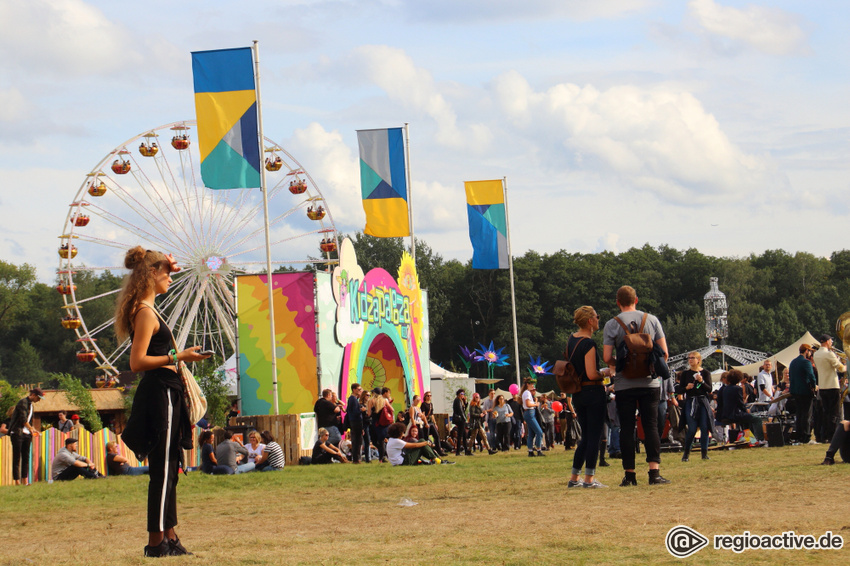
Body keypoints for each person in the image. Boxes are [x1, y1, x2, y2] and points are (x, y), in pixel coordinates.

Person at [115, 247, 210, 557]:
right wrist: (179, 355)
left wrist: (169, 265)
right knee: (163, 470)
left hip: (167, 390)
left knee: (172, 468)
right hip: (160, 393)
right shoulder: (144, 312)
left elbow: (165, 273)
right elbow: (137, 362)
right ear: (151, 274)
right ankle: (156, 543)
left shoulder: (149, 308)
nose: (170, 277)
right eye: (165, 273)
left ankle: (169, 536)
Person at [602, 285, 670, 486]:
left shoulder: (611, 324)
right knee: (650, 426)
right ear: (636, 300)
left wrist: (620, 363)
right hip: (650, 383)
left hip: (624, 384)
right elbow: (664, 354)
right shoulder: (652, 320)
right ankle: (654, 473)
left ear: (617, 302)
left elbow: (607, 357)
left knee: (626, 428)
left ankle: (630, 475)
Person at [567, 306, 612, 489]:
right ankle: (589, 479)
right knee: (594, 437)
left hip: (578, 393)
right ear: (590, 321)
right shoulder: (589, 344)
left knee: (585, 437)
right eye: (597, 316)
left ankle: (574, 477)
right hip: (593, 393)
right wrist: (606, 373)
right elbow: (592, 374)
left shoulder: (571, 340)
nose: (598, 319)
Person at [676, 352, 713, 462]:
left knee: (704, 427)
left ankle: (704, 453)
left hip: (702, 401)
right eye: (689, 358)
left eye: (693, 358)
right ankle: (686, 453)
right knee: (691, 429)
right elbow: (678, 390)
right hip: (691, 401)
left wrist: (701, 382)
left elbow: (709, 389)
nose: (690, 360)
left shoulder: (705, 373)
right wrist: (686, 388)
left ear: (698, 360)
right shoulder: (685, 374)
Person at [813, 334, 845, 444]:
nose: (832, 343)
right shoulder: (829, 354)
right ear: (827, 342)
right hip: (832, 385)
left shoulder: (816, 354)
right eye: (831, 341)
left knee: (826, 412)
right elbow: (840, 368)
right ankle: (832, 436)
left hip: (823, 386)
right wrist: (846, 365)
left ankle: (824, 435)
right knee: (834, 413)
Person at [8, 387, 43, 486]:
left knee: (26, 457)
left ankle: (25, 480)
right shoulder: (22, 402)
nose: (39, 400)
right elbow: (23, 419)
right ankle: (17, 481)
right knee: (17, 458)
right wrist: (31, 429)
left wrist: (33, 430)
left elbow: (30, 420)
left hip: (27, 434)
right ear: (33, 395)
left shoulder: (31, 406)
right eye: (38, 398)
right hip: (17, 433)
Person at [720, 370, 765, 443]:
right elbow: (740, 403)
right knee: (757, 419)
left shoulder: (725, 389)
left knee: (747, 419)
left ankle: (749, 439)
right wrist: (746, 410)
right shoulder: (738, 388)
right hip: (735, 414)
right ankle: (760, 439)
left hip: (727, 414)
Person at [789, 344, 818, 444]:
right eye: (809, 351)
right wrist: (814, 386)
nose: (810, 353)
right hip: (805, 391)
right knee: (807, 415)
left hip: (795, 392)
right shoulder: (806, 362)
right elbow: (811, 376)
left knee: (799, 414)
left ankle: (799, 436)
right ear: (806, 351)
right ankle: (806, 437)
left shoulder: (793, 362)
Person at [521, 378, 545, 457]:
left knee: (531, 434)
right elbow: (528, 404)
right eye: (531, 384)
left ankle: (530, 451)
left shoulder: (526, 393)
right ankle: (538, 449)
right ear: (527, 384)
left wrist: (534, 402)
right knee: (539, 432)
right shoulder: (527, 393)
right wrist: (536, 404)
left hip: (529, 413)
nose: (533, 386)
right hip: (530, 413)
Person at [419, 391, 445, 456]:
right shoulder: (423, 404)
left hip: (431, 422)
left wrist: (435, 423)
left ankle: (439, 451)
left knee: (436, 435)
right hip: (426, 422)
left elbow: (432, 414)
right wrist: (425, 423)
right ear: (425, 397)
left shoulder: (431, 404)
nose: (429, 397)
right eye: (428, 396)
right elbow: (423, 414)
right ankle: (426, 451)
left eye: (430, 396)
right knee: (426, 437)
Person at [347, 382, 365, 464]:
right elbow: (354, 412)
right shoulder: (353, 399)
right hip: (355, 422)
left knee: (357, 441)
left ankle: (356, 458)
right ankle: (356, 459)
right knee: (357, 441)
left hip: (355, 422)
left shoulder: (354, 399)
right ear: (354, 390)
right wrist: (361, 410)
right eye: (359, 389)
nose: (360, 391)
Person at [452, 389, 471, 456]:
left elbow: (463, 409)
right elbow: (460, 411)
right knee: (461, 435)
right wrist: (464, 419)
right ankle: (458, 452)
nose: (463, 395)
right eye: (462, 393)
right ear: (459, 394)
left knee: (463, 435)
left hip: (461, 419)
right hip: (460, 420)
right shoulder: (457, 400)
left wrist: (465, 403)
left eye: (463, 394)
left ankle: (466, 451)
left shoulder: (461, 401)